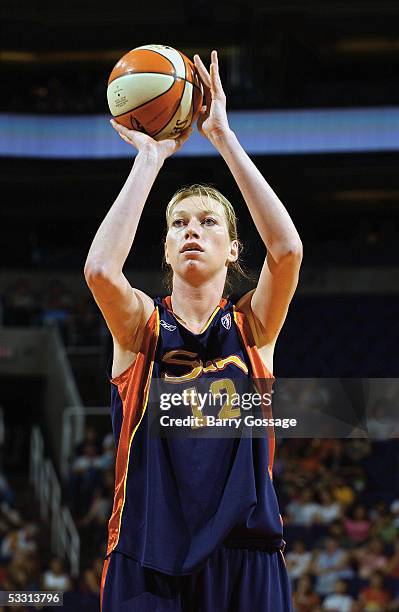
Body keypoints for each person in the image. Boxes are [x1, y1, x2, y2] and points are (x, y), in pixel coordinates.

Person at [85, 50, 302, 611]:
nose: (191, 231)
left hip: (247, 555)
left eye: (208, 222)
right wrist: (151, 159)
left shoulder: (253, 329)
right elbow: (101, 271)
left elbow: (287, 249)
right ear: (164, 246)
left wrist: (224, 137)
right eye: (178, 223)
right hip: (146, 557)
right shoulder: (141, 329)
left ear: (233, 249)